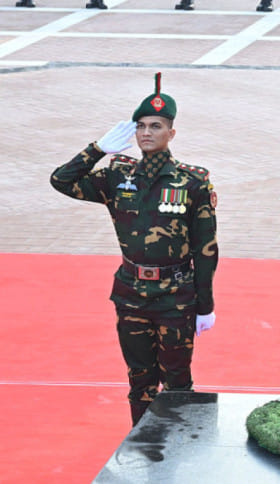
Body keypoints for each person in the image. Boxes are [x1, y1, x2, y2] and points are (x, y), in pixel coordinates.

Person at [50, 72, 219, 426]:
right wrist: (97, 150)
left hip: (175, 297)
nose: (146, 133)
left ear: (171, 133)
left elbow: (206, 248)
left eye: (155, 126)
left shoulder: (192, 182)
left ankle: (180, 447)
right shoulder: (117, 177)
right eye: (140, 126)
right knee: (140, 380)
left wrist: (205, 305)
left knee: (177, 382)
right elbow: (61, 181)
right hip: (131, 295)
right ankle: (143, 450)